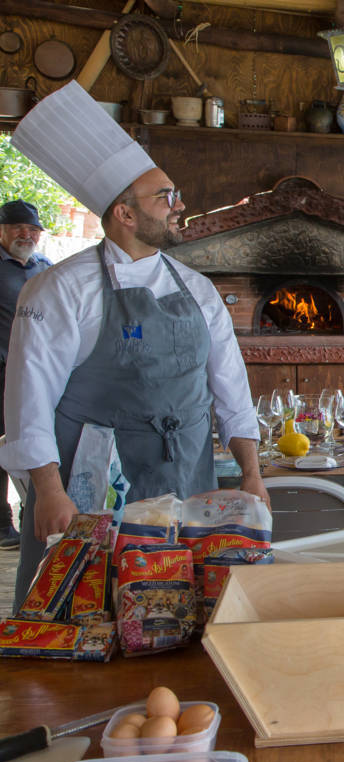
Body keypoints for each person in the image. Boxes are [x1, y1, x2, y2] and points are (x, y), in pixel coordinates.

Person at [2, 81, 268, 610]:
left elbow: (231, 390)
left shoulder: (198, 290)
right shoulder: (60, 289)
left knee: (173, 612)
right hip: (91, 489)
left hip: (186, 480)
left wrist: (252, 474)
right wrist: (48, 490)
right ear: (124, 214)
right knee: (86, 610)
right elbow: (28, 399)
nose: (180, 205)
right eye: (165, 197)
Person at [0, 200, 52, 550]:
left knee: (30, 439)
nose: (26, 234)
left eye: (32, 229)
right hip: (1, 368)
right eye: (19, 227)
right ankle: (3, 524)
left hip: (35, 373)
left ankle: (34, 516)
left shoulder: (44, 268)